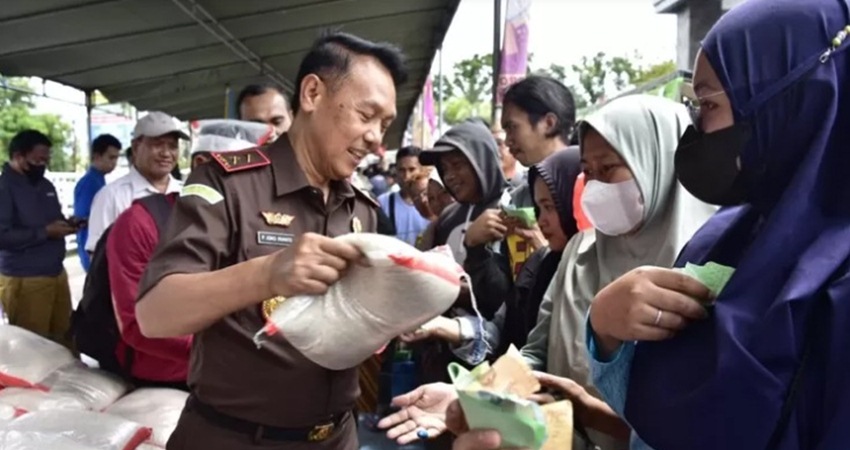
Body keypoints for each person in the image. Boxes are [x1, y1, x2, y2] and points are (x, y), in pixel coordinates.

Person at [381, 94, 717, 449]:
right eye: (588, 172)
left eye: (608, 168)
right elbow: (535, 354)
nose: (595, 186)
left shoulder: (709, 270)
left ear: (657, 163)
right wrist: (477, 396)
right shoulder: (579, 254)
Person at [587, 1, 850, 449]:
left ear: (790, 101)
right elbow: (655, 407)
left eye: (707, 103)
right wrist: (605, 330)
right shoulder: (726, 237)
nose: (697, 126)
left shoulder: (838, 285)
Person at [135, 32, 407, 450]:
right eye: (366, 115)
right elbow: (155, 314)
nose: (375, 138)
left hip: (337, 437)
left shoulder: (362, 208)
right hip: (236, 439)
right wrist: (268, 273)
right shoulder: (227, 183)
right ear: (312, 93)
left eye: (384, 125)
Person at [402, 148, 583, 368]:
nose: (541, 220)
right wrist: (438, 326)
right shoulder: (539, 266)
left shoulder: (596, 271)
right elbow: (500, 332)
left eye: (550, 207)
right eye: (538, 208)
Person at [0, 130, 77, 349]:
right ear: (18, 156)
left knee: (65, 338)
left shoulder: (45, 185)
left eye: (46, 160)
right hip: (25, 278)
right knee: (34, 346)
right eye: (38, 160)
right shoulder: (4, 188)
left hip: (56, 272)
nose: (43, 165)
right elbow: (2, 236)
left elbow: (53, 220)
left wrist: (68, 224)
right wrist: (45, 232)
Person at [85, 111, 186, 253]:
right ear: (136, 147)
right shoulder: (111, 197)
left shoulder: (186, 193)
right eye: (158, 145)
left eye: (173, 146)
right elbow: (97, 255)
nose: (166, 153)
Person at [74, 133, 121, 271]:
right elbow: (82, 219)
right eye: (111, 157)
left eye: (116, 158)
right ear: (97, 156)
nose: (114, 163)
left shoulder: (99, 180)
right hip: (93, 249)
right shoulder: (89, 183)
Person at [377, 146, 431, 245]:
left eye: (412, 169)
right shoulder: (383, 202)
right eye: (402, 170)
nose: (407, 176)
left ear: (422, 170)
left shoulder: (433, 202)